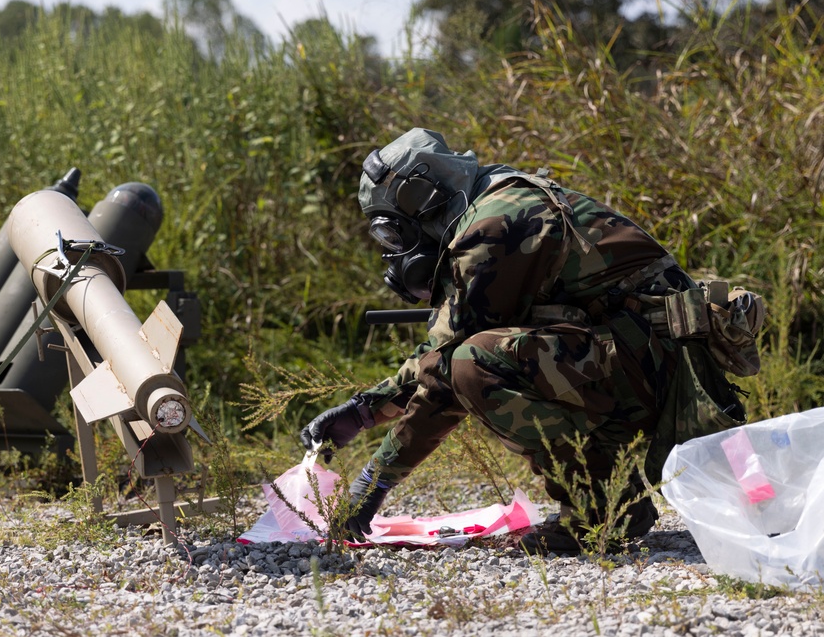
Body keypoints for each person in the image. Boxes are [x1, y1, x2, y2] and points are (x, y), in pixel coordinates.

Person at [299, 127, 754, 553]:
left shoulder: (494, 227)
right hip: (644, 367)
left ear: (422, 198)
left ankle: (605, 512)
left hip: (661, 379)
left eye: (392, 228)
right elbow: (439, 348)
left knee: (473, 365)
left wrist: (372, 485)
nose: (394, 246)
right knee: (468, 358)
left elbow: (446, 370)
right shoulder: (495, 201)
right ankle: (608, 494)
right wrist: (363, 410)